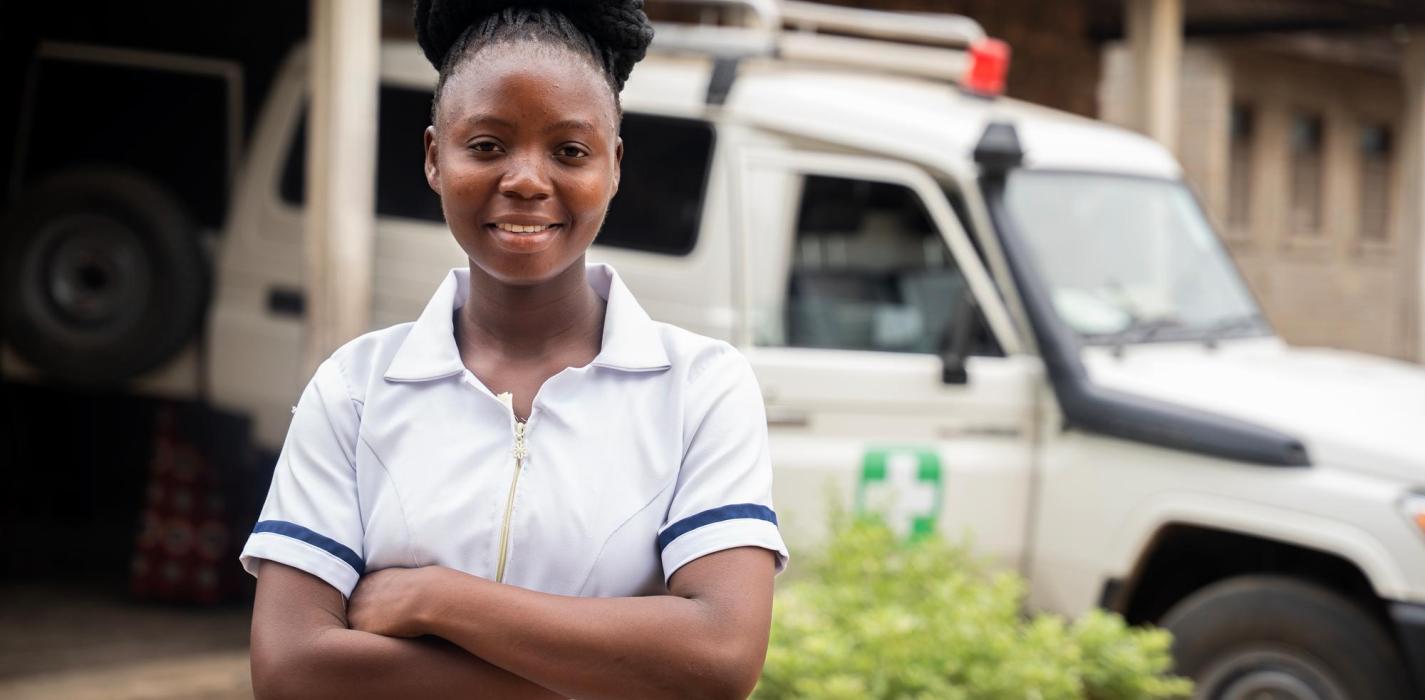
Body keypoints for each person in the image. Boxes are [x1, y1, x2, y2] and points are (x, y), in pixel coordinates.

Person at [240, 2, 789, 698]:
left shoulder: (699, 389)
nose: (526, 180)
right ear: (435, 156)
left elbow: (719, 656)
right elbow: (291, 671)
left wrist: (436, 598)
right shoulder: (355, 389)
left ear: (613, 166)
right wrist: (612, 675)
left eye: (568, 151)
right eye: (488, 146)